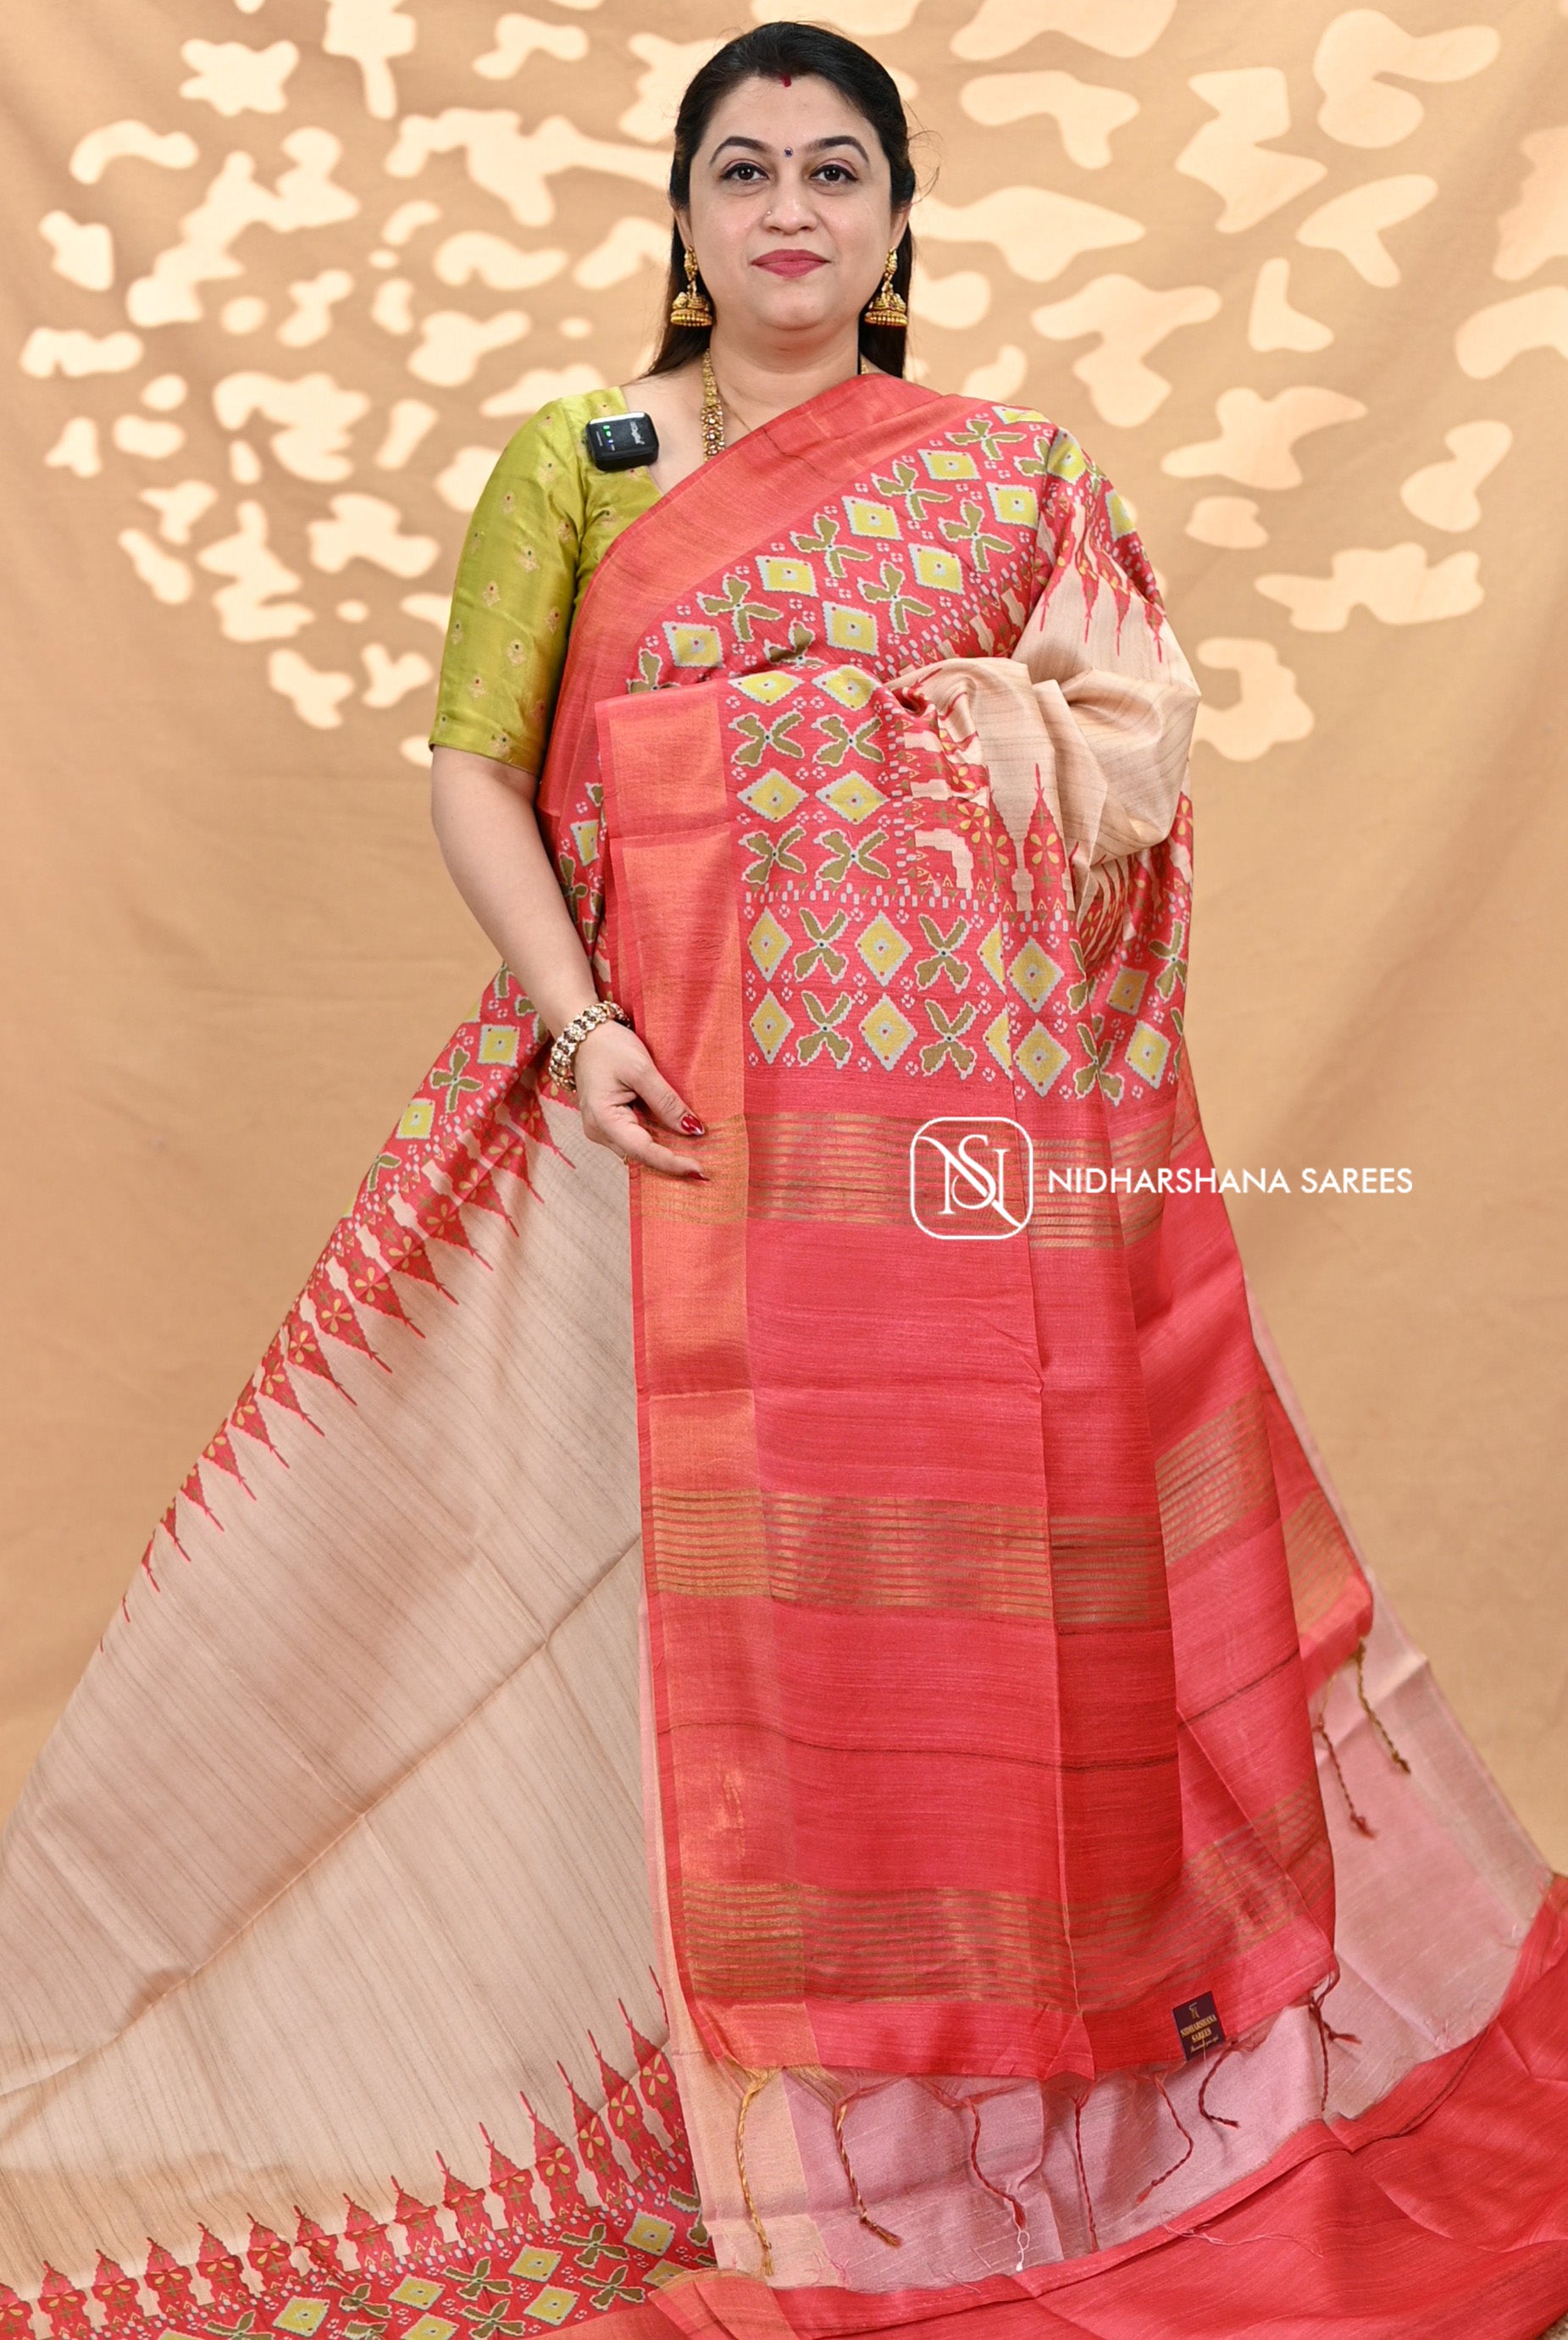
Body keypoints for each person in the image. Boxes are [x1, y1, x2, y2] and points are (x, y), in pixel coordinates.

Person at [1, 24, 1566, 2340]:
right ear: (683, 215)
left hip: (947, 1179)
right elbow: (473, 769)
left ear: (901, 216)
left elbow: (1131, 756)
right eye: (743, 172)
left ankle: (996, 2126)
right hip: (655, 1126)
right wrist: (581, 1023)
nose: (790, 212)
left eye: (838, 170)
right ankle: (711, 2117)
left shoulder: (1015, 480)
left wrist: (937, 729)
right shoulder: (583, 461)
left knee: (957, 1595)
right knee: (624, 1615)